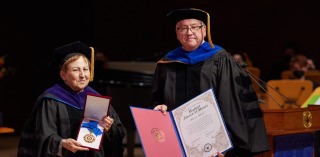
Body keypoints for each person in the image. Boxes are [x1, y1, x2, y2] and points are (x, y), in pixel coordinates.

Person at [152, 8, 270, 157]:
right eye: (183, 28)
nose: (189, 32)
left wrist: (225, 144)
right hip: (176, 141)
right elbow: (157, 98)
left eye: (194, 27)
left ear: (204, 29)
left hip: (214, 147)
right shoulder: (167, 62)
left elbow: (232, 105)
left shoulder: (220, 59)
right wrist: (158, 107)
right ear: (177, 33)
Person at [17, 41, 126, 157]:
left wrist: (109, 129)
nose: (82, 75)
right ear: (63, 75)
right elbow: (43, 136)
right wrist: (62, 143)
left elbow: (119, 132)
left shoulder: (96, 99)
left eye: (85, 69)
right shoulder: (52, 99)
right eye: (75, 70)